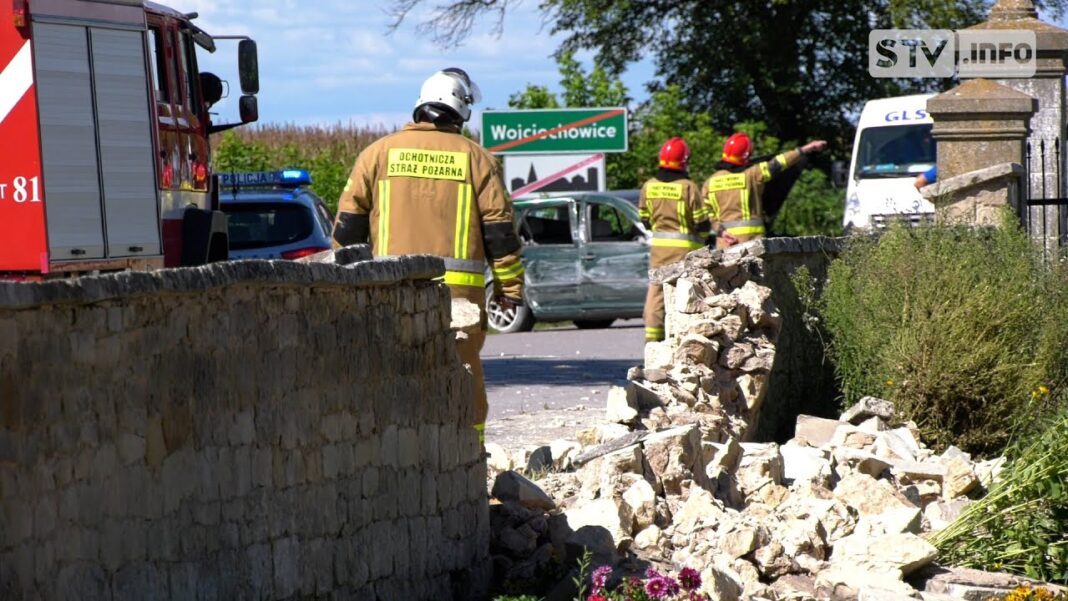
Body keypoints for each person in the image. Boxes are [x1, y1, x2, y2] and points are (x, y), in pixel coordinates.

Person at [331, 67, 524, 443]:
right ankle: (470, 460)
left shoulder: (377, 154)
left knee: (391, 380)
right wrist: (510, 289)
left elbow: (347, 231)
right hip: (459, 302)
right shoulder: (476, 159)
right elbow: (500, 233)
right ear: (461, 111)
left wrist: (349, 291)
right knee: (463, 379)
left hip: (388, 296)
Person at [639, 137, 711, 342]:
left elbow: (644, 219)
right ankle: (687, 340)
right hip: (686, 253)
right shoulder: (688, 187)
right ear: (684, 161)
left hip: (659, 251)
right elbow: (702, 224)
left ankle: (652, 341)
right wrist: (703, 239)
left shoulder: (648, 186)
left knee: (656, 295)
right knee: (690, 294)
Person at [703, 133, 827, 248]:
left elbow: (706, 215)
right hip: (752, 243)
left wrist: (721, 232)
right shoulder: (752, 174)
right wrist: (806, 149)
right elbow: (779, 163)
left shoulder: (710, 182)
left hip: (725, 244)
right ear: (747, 155)